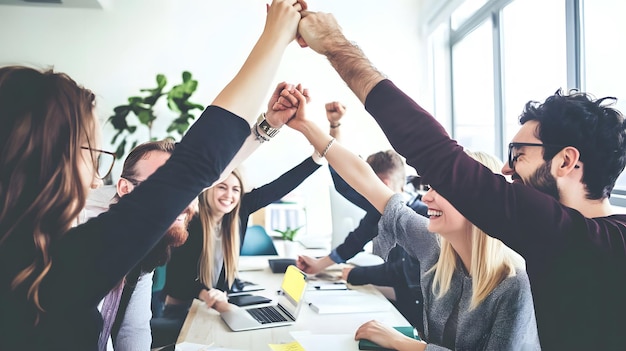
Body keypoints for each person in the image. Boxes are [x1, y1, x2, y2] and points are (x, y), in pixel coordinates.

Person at [296, 11, 626, 350]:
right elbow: (376, 186)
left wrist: (334, 44)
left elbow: (435, 153)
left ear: (566, 161)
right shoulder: (578, 244)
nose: (508, 171)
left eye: (518, 155)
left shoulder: (567, 244)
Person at [0, 1, 307, 349]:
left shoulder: (35, 252)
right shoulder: (58, 263)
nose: (92, 180)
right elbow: (194, 167)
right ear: (47, 161)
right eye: (91, 157)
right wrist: (275, 36)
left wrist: (265, 127)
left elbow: (195, 175)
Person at [284, 91, 539, 350]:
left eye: (442, 190)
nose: (427, 197)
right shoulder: (435, 247)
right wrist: (307, 126)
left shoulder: (514, 285)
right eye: (430, 187)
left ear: (477, 202)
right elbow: (365, 180)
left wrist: (405, 344)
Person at [153, 149, 322, 346]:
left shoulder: (238, 213)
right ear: (208, 189)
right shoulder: (191, 221)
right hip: (183, 310)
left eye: (235, 189)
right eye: (222, 187)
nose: (229, 196)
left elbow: (279, 187)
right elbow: (177, 280)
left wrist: (316, 158)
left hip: (213, 305)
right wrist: (206, 294)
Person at [297, 102, 426, 329]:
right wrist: (319, 265)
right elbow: (355, 239)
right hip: (403, 302)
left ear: (383, 184)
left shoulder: (419, 217)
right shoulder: (382, 211)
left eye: (365, 186)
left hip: (420, 315)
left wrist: (355, 274)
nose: (362, 192)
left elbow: (403, 272)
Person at [98, 139, 193, 351]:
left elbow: (133, 328)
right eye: (162, 186)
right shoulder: (92, 240)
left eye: (183, 187)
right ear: (125, 188)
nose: (178, 199)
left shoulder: (145, 246)